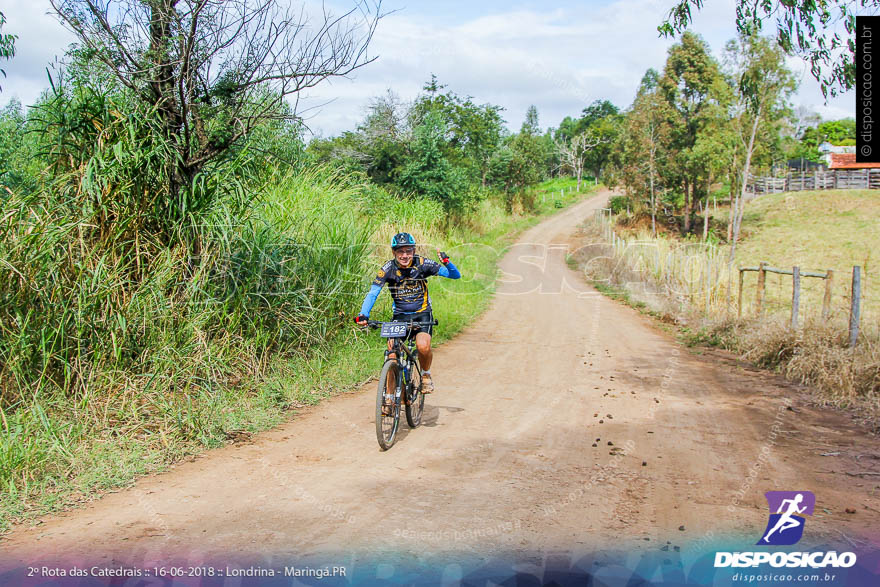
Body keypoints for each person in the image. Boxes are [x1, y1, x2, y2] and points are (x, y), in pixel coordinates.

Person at [355, 232, 461, 407]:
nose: (405, 255)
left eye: (408, 251)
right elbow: (373, 293)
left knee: (423, 346)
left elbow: (455, 275)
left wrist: (447, 263)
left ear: (414, 250)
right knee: (392, 354)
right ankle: (389, 397)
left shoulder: (423, 264)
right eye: (400, 252)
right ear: (394, 253)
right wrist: (364, 315)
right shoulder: (387, 268)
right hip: (400, 316)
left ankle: (425, 374)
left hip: (422, 314)